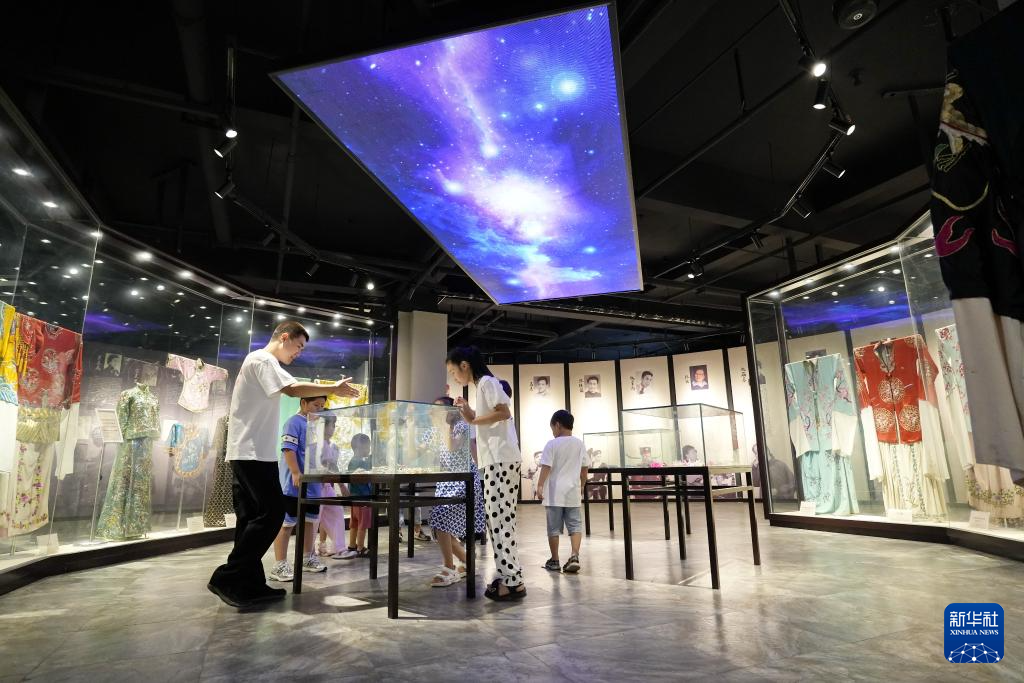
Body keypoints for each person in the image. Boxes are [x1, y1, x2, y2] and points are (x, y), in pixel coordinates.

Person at [207, 320, 359, 608]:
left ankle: (249, 584)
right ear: (285, 337)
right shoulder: (262, 359)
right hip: (252, 453)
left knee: (251, 518)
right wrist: (332, 388)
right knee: (272, 513)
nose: (298, 353)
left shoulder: (261, 362)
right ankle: (228, 577)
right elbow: (292, 388)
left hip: (251, 452)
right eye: (298, 346)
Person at [447, 345, 526, 601]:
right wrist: (469, 412)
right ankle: (510, 578)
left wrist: (472, 419)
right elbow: (491, 417)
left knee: (500, 521)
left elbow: (504, 412)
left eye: (453, 371)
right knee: (498, 522)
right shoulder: (483, 385)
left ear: (465, 365)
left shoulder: (487, 383)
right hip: (495, 460)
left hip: (500, 460)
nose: (453, 377)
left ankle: (513, 581)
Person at [269, 396, 330, 581]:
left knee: (310, 521)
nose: (319, 409)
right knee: (287, 523)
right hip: (294, 484)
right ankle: (279, 564)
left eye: (322, 406)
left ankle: (307, 558)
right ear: (303, 403)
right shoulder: (293, 422)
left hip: (313, 483)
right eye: (315, 405)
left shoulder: (317, 424)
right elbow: (288, 449)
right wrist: (295, 472)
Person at [428, 397, 486, 587]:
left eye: (438, 409)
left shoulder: (462, 426)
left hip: (464, 481)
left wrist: (442, 425)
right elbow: (419, 450)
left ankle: (449, 567)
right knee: (440, 525)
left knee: (440, 519)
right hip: (445, 482)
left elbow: (452, 447)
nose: (434, 412)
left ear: (450, 411)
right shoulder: (436, 429)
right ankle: (467, 562)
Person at [535, 410, 588, 574]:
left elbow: (546, 467)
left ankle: (555, 560)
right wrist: (582, 485)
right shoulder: (579, 444)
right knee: (575, 526)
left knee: (553, 528)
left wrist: (540, 485)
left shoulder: (552, 444)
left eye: (552, 428)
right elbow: (584, 469)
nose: (552, 431)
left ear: (557, 425)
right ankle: (574, 556)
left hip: (554, 494)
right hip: (572, 492)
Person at [335, 433, 373, 559]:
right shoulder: (359, 462)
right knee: (363, 524)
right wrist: (373, 459)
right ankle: (360, 548)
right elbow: (368, 468)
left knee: (355, 523)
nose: (369, 449)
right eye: (367, 447)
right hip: (363, 498)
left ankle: (352, 545)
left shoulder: (353, 461)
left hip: (355, 498)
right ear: (359, 448)